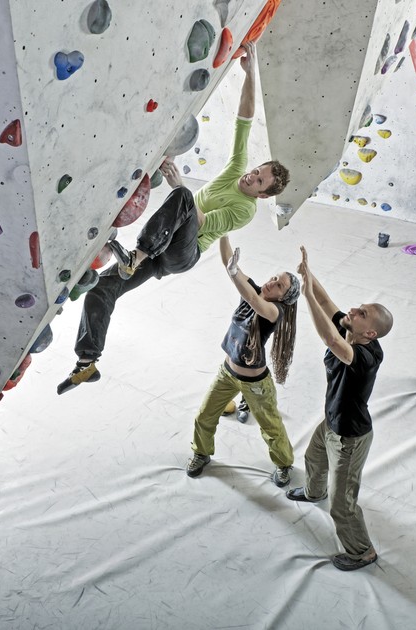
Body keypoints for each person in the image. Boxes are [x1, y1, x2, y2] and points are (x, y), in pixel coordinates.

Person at [58, 41, 291, 394]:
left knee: (182, 195)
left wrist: (179, 184)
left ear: (263, 194)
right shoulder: (235, 171)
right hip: (163, 247)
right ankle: (86, 363)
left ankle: (135, 255)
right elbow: (244, 119)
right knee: (102, 289)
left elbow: (198, 223)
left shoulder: (245, 210)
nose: (250, 177)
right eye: (256, 171)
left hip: (184, 253)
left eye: (258, 181)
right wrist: (250, 73)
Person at [285, 246, 393, 572]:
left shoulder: (365, 356)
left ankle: (362, 552)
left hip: (350, 436)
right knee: (313, 457)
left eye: (362, 314)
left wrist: (304, 297)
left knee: (342, 505)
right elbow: (327, 302)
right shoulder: (351, 328)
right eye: (359, 307)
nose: (353, 311)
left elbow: (333, 342)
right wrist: (308, 273)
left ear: (369, 333)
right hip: (332, 421)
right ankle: (312, 491)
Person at [186, 236, 300, 486]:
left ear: (284, 298)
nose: (271, 283)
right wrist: (223, 230)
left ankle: (283, 464)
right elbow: (228, 261)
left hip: (255, 384)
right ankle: (201, 453)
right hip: (226, 373)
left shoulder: (274, 312)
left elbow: (252, 299)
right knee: (204, 415)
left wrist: (235, 273)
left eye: (279, 285)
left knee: (271, 428)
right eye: (274, 278)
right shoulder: (255, 291)